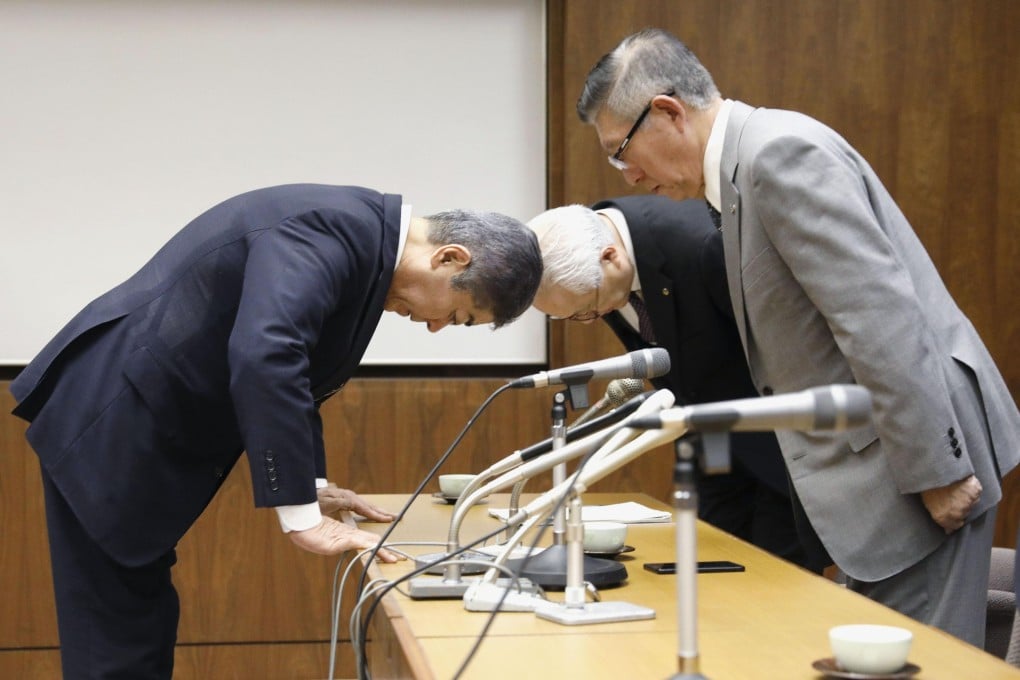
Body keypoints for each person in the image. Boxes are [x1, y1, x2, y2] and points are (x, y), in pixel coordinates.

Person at [576, 28, 1020, 646]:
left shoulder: (777, 155)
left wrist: (936, 469)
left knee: (928, 662)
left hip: (921, 464)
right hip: (882, 480)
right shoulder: (738, 171)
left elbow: (877, 315)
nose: (627, 175)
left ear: (668, 112)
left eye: (621, 152)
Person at [8, 183, 543, 679]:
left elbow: (296, 371)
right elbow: (267, 354)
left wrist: (311, 484)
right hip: (110, 417)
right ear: (449, 258)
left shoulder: (359, 238)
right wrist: (300, 518)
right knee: (116, 634)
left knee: (134, 619)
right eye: (458, 315)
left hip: (132, 417)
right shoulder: (331, 228)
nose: (434, 326)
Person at [527, 196, 829, 572]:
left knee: (779, 584)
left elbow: (795, 352)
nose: (589, 320)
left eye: (589, 309)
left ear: (611, 258)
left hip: (785, 451)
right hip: (713, 444)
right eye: (573, 316)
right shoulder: (586, 260)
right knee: (714, 572)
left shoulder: (703, 243)